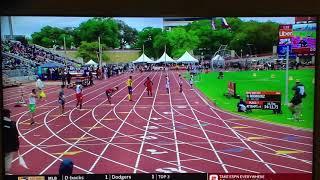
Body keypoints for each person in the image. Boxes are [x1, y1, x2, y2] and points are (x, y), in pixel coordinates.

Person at [3, 109, 20, 174]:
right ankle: (6, 171)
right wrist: (17, 145)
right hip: (8, 145)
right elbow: (15, 135)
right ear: (8, 115)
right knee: (8, 157)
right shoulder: (12, 123)